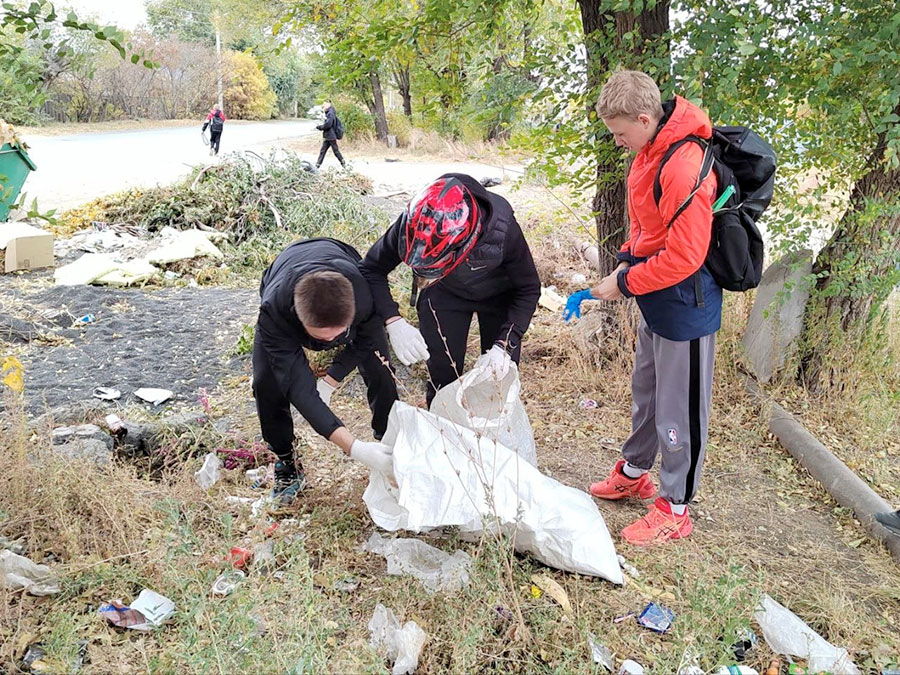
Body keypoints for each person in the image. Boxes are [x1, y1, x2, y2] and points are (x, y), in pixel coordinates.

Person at [564, 70, 721, 546]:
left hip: (686, 305)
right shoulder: (647, 154)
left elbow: (686, 256)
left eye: (619, 132)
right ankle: (635, 472)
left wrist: (626, 282)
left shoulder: (683, 163)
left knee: (681, 408)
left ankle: (676, 507)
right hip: (656, 298)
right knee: (647, 393)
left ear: (644, 117)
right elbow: (646, 227)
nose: (617, 142)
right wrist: (625, 264)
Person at [361, 173, 540, 406]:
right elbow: (371, 268)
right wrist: (393, 320)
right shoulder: (416, 222)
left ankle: (493, 437)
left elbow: (529, 287)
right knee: (442, 375)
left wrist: (505, 345)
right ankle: (444, 434)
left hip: (499, 295)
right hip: (444, 294)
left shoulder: (502, 229)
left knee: (497, 379)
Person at [253, 237, 399, 505]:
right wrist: (354, 448)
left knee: (381, 368)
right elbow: (300, 390)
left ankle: (390, 442)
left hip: (341, 259)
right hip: (282, 274)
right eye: (323, 337)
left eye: (340, 334)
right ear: (300, 321)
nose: (332, 342)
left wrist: (332, 378)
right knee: (267, 385)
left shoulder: (364, 294)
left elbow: (366, 341)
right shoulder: (274, 313)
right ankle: (287, 463)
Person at [315, 101, 346, 170]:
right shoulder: (330, 112)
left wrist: (320, 127)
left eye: (324, 106)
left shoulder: (330, 113)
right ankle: (317, 166)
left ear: (328, 105)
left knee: (335, 151)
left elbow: (328, 124)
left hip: (331, 136)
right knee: (323, 151)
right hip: (328, 136)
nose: (323, 108)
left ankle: (343, 163)